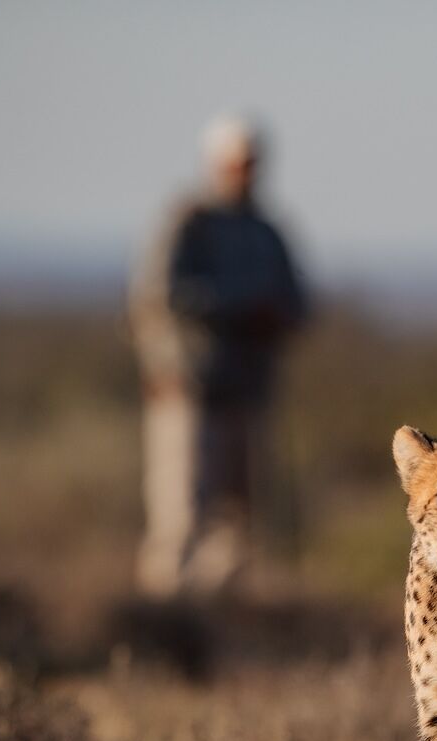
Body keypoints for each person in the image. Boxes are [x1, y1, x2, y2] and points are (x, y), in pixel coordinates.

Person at [129, 116, 309, 598]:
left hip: (249, 393)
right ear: (216, 164)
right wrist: (237, 308)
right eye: (236, 164)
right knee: (181, 514)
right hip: (188, 389)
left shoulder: (268, 231)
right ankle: (163, 620)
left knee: (240, 520)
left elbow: (298, 302)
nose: (245, 173)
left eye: (252, 164)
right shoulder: (190, 222)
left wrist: (275, 318)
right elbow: (161, 293)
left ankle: (222, 624)